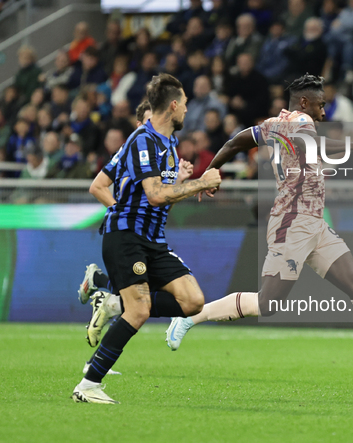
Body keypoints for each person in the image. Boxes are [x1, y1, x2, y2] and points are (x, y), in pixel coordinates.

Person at [165, 74, 353, 381]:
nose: (323, 112)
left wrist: (210, 170)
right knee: (268, 303)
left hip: (313, 222)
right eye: (320, 104)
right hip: (292, 222)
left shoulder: (274, 124)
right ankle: (193, 316)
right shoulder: (300, 122)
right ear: (304, 102)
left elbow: (236, 141)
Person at [71, 74, 222, 404]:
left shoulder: (168, 144)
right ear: (172, 105)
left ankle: (114, 300)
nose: (186, 109)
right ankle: (88, 385)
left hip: (153, 240)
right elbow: (153, 195)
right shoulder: (144, 139)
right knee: (139, 311)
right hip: (126, 237)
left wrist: (192, 186)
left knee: (193, 301)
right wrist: (199, 181)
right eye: (184, 103)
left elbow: (159, 197)